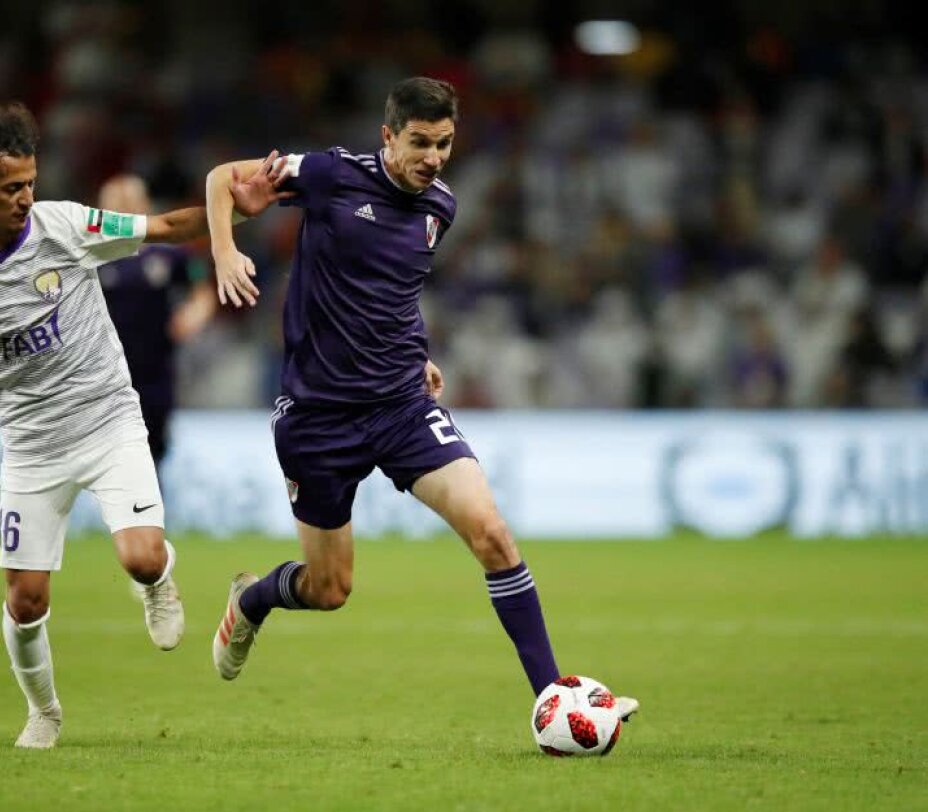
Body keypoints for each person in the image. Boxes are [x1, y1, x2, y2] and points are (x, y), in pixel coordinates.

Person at [205, 77, 639, 720]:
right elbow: (221, 178)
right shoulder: (329, 174)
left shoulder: (441, 207)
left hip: (400, 405)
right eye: (419, 143)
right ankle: (254, 601)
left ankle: (552, 698)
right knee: (329, 590)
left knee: (491, 534)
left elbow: (393, 291)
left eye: (444, 143)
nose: (433, 157)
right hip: (318, 416)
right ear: (388, 137)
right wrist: (224, 251)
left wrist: (418, 353)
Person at [0, 100, 280, 749]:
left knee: (138, 557)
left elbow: (165, 225)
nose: (27, 197)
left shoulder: (65, 225)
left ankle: (160, 579)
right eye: (11, 188)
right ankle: (44, 712)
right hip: (30, 445)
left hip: (107, 418)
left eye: (30, 182)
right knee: (25, 600)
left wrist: (235, 211)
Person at [95, 175, 218, 464]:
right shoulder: (90, 258)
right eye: (116, 204)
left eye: (130, 202)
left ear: (145, 205)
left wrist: (194, 313)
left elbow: (202, 287)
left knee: (153, 454)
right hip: (104, 377)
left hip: (155, 373)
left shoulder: (172, 255)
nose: (123, 210)